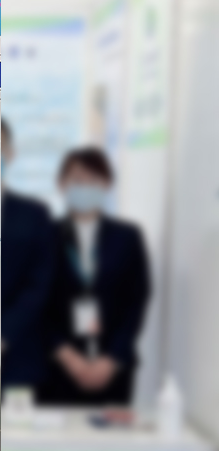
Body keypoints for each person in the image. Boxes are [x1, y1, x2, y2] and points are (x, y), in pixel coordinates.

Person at [38, 148, 150, 406]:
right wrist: (68, 357)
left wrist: (111, 359)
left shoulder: (127, 238)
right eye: (78, 180)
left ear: (106, 184)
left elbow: (136, 303)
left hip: (113, 370)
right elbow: (37, 303)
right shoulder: (46, 237)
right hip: (57, 369)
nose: (85, 187)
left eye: (93, 180)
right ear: (63, 184)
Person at [1, 119, 57, 389]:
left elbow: (41, 282)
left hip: (21, 347)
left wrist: (6, 332)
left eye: (1, 148)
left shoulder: (33, 215)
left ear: (11, 153)